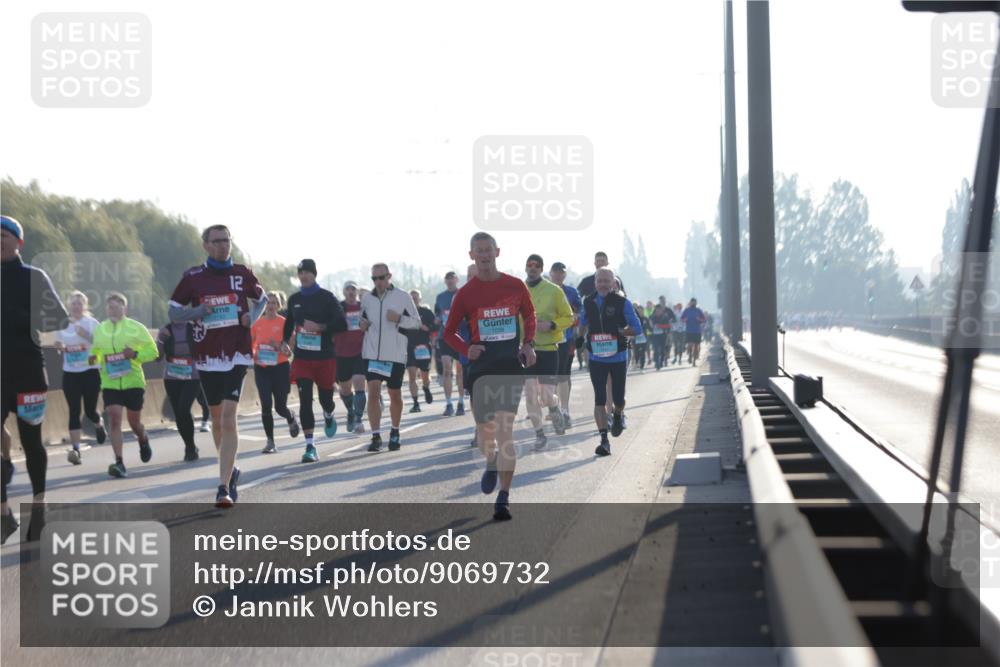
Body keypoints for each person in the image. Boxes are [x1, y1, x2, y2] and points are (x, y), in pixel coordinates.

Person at [168, 224, 267, 508]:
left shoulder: (242, 273)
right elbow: (173, 312)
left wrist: (252, 318)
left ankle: (223, 486)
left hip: (237, 354)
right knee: (216, 419)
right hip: (208, 356)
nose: (224, 245)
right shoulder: (193, 277)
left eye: (227, 240)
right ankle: (230, 468)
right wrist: (199, 311)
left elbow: (261, 299)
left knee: (227, 417)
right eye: (218, 241)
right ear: (206, 246)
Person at [444, 232, 536, 521]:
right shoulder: (466, 293)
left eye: (488, 250)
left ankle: (504, 497)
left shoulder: (515, 285)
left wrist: (528, 343)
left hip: (509, 367)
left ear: (497, 252)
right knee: (486, 432)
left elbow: (529, 315)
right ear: (471, 255)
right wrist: (466, 349)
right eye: (479, 251)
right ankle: (491, 459)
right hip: (481, 370)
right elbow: (449, 332)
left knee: (505, 431)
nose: (484, 254)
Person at [1, 215, 69, 543]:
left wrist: (20, 316)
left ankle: (39, 507)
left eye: (3, 236)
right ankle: (3, 512)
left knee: (31, 443)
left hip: (27, 372)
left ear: (19, 243)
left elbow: (59, 318)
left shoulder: (33, 276)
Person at [281, 259, 346, 463]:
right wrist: (284, 341)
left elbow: (342, 323)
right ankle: (310, 446)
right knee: (305, 400)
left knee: (326, 400)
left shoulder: (327, 297)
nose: (304, 276)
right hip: (302, 358)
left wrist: (320, 327)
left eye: (307, 272)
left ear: (314, 274)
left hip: (325, 357)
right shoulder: (294, 299)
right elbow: (289, 323)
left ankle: (328, 414)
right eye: (301, 273)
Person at [89, 293, 158, 478]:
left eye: (116, 307)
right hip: (110, 382)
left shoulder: (136, 328)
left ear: (124, 309)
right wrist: (93, 358)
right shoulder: (100, 329)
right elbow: (95, 352)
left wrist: (134, 354)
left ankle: (142, 438)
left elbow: (153, 352)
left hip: (133, 381)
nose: (112, 310)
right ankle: (119, 462)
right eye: (109, 307)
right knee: (114, 418)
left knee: (134, 423)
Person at [580, 268, 642, 456]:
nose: (603, 284)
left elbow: (637, 328)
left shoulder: (623, 302)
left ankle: (618, 414)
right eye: (600, 281)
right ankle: (604, 440)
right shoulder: (588, 302)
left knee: (618, 399)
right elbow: (582, 323)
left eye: (607, 281)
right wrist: (579, 337)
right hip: (596, 357)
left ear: (613, 283)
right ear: (595, 283)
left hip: (618, 356)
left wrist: (621, 332)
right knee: (599, 398)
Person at [360, 263, 421, 452]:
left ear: (389, 276)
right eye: (374, 278)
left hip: (394, 354)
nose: (378, 282)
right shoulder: (367, 298)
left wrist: (399, 319)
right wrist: (362, 324)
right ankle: (376, 436)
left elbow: (417, 323)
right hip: (372, 354)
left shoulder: (402, 296)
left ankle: (395, 431)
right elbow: (362, 320)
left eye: (381, 277)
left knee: (395, 394)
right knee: (373, 392)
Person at [523, 255, 573, 449]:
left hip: (549, 349)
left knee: (545, 396)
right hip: (527, 348)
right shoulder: (519, 290)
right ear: (526, 268)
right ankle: (540, 435)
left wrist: (552, 325)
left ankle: (554, 407)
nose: (533, 268)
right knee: (530, 393)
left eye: (537, 265)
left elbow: (569, 317)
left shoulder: (554, 290)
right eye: (530, 265)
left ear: (542, 269)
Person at [55, 290, 105, 464]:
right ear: (69, 306)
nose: (76, 306)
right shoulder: (63, 324)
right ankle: (76, 450)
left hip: (90, 371)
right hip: (70, 373)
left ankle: (98, 423)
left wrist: (86, 335)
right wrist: (59, 346)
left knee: (90, 410)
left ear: (85, 306)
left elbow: (101, 343)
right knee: (74, 410)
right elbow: (58, 344)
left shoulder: (92, 323)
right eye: (73, 303)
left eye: (79, 303)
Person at [251, 291, 300, 454]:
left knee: (280, 407)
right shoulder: (257, 323)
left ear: (279, 306)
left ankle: (290, 417)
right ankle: (270, 442)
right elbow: (250, 344)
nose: (270, 306)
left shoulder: (284, 323)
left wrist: (279, 346)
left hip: (280, 368)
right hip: (262, 368)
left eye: (274, 303)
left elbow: (290, 349)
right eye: (268, 303)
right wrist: (253, 354)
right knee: (266, 405)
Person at [157, 318, 210, 462]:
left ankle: (190, 447)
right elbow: (158, 357)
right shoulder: (165, 330)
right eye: (173, 311)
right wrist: (161, 340)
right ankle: (190, 446)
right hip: (172, 377)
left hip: (192, 375)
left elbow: (205, 348)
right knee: (178, 414)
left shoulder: (194, 328)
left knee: (183, 409)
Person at [548, 261, 581, 429]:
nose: (558, 274)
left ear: (564, 274)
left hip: (566, 339)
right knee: (549, 377)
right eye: (555, 271)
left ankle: (565, 410)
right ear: (550, 273)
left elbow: (580, 310)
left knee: (564, 375)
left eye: (561, 272)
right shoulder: (544, 290)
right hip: (547, 339)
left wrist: (573, 318)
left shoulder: (572, 292)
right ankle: (554, 408)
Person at [335, 281, 367, 433]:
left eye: (353, 289)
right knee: (345, 389)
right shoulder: (338, 308)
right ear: (344, 292)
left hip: (360, 351)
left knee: (359, 383)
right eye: (348, 289)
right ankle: (350, 411)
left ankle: (358, 419)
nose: (351, 292)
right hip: (341, 353)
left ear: (357, 292)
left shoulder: (364, 307)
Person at [434, 271, 466, 416]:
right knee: (447, 370)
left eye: (452, 279)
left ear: (456, 280)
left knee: (460, 371)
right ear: (445, 281)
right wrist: (437, 319)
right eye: (447, 279)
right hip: (445, 336)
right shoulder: (440, 297)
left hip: (460, 336)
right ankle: (448, 404)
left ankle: (461, 402)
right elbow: (437, 314)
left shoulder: (463, 293)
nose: (449, 281)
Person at [405, 289, 437, 413]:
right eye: (411, 298)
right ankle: (415, 403)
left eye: (416, 297)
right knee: (412, 376)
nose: (414, 300)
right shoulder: (404, 313)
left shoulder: (426, 312)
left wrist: (427, 328)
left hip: (423, 347)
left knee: (425, 375)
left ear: (420, 299)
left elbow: (436, 326)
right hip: (409, 348)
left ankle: (426, 388)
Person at [681, 298, 707, 364]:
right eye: (692, 302)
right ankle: (690, 356)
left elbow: (704, 319)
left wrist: (699, 319)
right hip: (689, 330)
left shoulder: (698, 310)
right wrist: (685, 320)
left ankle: (694, 361)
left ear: (696, 303)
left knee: (696, 346)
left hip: (697, 331)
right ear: (690, 303)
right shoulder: (687, 310)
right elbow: (682, 318)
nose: (693, 303)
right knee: (689, 345)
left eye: (694, 302)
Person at [649, 304, 673, 370]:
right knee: (655, 349)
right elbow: (649, 326)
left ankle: (661, 361)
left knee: (662, 349)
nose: (658, 311)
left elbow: (668, 326)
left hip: (663, 335)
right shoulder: (652, 317)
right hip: (654, 335)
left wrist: (660, 326)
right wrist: (650, 325)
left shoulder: (665, 317)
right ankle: (656, 362)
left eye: (659, 310)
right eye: (657, 310)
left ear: (661, 310)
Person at [632, 302, 652, 372]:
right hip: (636, 338)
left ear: (643, 311)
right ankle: (637, 362)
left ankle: (642, 366)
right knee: (636, 352)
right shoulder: (634, 318)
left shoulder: (646, 319)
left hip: (644, 338)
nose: (640, 312)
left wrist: (651, 329)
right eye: (638, 311)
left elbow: (650, 328)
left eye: (641, 310)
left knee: (643, 352)